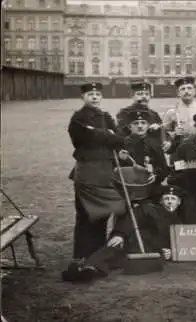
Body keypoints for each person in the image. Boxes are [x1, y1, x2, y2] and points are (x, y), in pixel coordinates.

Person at [61, 185, 184, 283]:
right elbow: (132, 219)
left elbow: (183, 244)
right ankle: (88, 269)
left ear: (179, 203)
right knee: (112, 247)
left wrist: (172, 252)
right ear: (161, 202)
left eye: (173, 199)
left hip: (149, 252)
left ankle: (87, 269)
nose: (169, 202)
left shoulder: (180, 223)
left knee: (115, 262)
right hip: (132, 241)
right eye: (166, 199)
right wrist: (121, 234)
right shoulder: (149, 209)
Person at [67, 82, 126, 263]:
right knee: (85, 214)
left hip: (105, 171)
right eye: (90, 94)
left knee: (102, 214)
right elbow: (83, 138)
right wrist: (106, 134)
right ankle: (81, 255)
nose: (94, 97)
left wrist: (98, 133)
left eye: (97, 94)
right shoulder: (77, 118)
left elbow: (119, 139)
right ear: (83, 97)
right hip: (87, 171)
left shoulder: (106, 116)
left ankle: (97, 253)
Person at [117, 108, 171, 188]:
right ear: (129, 127)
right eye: (136, 123)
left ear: (148, 126)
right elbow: (116, 169)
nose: (140, 126)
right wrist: (121, 159)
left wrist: (155, 173)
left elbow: (164, 169)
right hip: (128, 185)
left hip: (151, 185)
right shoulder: (122, 144)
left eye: (143, 123)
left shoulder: (155, 144)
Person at [162, 76, 196, 140]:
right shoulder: (172, 112)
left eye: (189, 88)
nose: (186, 91)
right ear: (178, 93)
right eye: (183, 89)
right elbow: (163, 133)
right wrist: (174, 133)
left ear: (195, 91)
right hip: (180, 147)